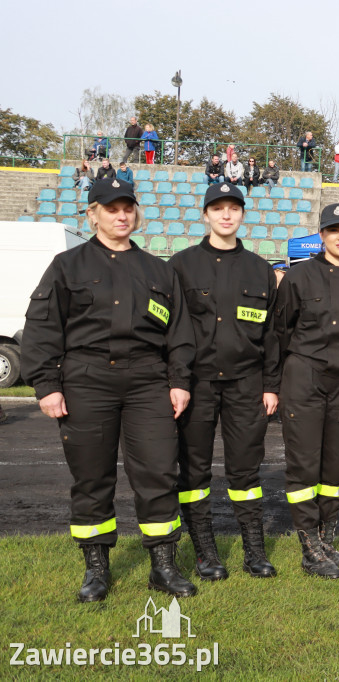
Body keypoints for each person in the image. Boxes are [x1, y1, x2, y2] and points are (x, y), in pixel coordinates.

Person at [21, 178, 198, 602]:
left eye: (127, 208)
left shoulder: (160, 270)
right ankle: (96, 570)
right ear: (92, 213)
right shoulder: (68, 266)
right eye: (111, 208)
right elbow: (43, 327)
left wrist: (179, 381)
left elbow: (180, 333)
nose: (121, 216)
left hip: (147, 382)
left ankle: (163, 567)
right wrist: (47, 384)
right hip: (86, 380)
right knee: (92, 477)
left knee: (157, 473)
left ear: (136, 214)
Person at [169, 182, 280, 582]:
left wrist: (271, 385)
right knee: (193, 473)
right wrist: (175, 380)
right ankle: (205, 552)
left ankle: (254, 550)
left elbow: (271, 335)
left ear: (242, 215)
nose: (226, 215)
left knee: (246, 472)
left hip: (247, 383)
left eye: (234, 208)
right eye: (218, 208)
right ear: (206, 215)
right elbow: (170, 329)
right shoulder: (180, 266)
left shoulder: (260, 269)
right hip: (195, 384)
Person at [275, 203, 339, 579]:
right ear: (321, 235)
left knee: (335, 465)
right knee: (304, 464)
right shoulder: (298, 278)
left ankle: (326, 539)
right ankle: (309, 549)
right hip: (304, 375)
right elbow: (280, 331)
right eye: (333, 230)